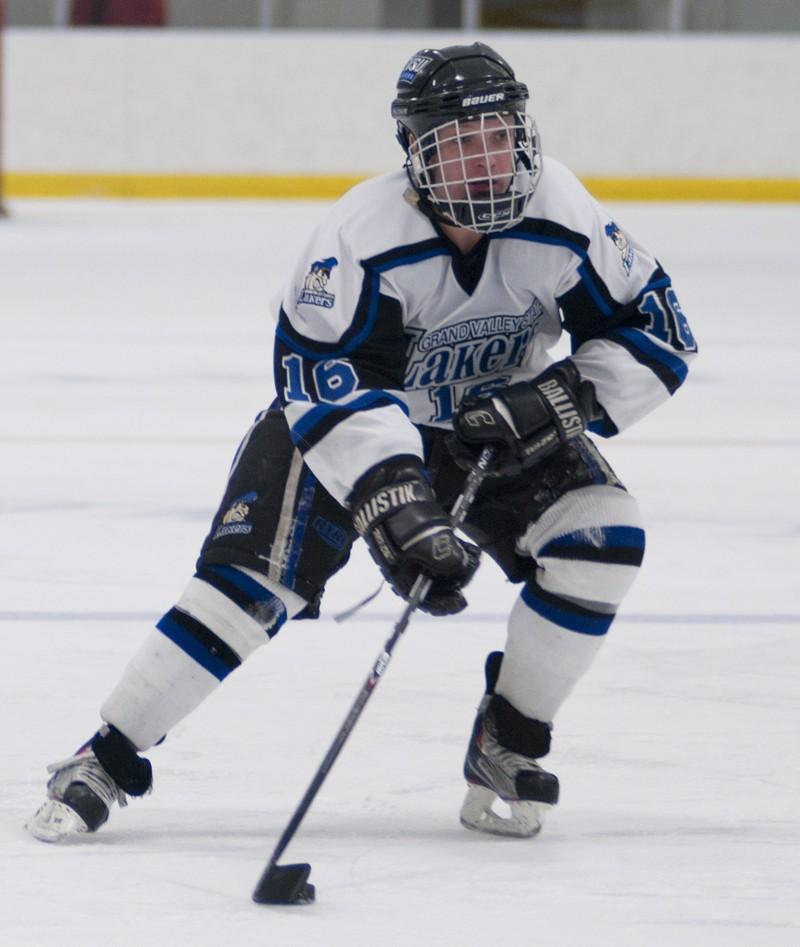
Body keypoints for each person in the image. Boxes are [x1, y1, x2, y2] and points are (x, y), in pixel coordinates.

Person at [27, 42, 696, 842]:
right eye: (459, 145)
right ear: (416, 156)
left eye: (499, 136)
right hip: (348, 430)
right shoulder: (357, 236)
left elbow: (659, 329)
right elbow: (321, 379)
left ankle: (508, 742)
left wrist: (561, 396)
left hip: (498, 431)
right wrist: (399, 504)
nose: (486, 162)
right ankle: (105, 753)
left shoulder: (563, 212)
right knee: (249, 586)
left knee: (603, 537)